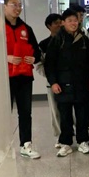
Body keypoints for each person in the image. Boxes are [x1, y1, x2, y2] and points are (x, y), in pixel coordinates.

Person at [45, 9, 89, 157]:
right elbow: (50, 64)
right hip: (63, 84)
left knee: (82, 115)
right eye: (70, 21)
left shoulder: (84, 39)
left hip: (82, 83)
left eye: (75, 20)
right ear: (63, 23)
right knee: (65, 116)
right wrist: (53, 82)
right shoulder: (57, 40)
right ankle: (66, 143)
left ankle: (83, 141)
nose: (73, 23)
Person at [4, 0, 42, 159]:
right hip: (3, 79)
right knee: (3, 114)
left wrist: (34, 58)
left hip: (24, 77)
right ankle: (2, 147)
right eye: (14, 4)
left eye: (20, 5)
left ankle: (26, 145)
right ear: (4, 6)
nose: (18, 8)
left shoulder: (26, 28)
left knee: (25, 112)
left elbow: (37, 52)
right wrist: (6, 58)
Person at [37, 13, 63, 146]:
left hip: (70, 81)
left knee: (73, 110)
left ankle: (76, 134)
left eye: (60, 22)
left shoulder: (68, 40)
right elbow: (39, 64)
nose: (59, 25)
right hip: (52, 83)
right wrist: (50, 77)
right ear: (49, 26)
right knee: (55, 111)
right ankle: (59, 136)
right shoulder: (43, 44)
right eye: (56, 23)